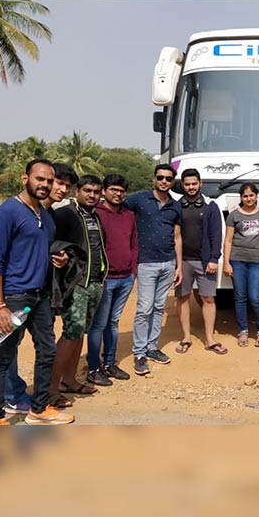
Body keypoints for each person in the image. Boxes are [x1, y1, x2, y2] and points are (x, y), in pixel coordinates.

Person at [0, 159, 74, 425]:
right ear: (25, 179)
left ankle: (39, 408)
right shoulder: (7, 212)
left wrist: (59, 259)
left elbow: (40, 249)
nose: (45, 184)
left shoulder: (45, 214)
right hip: (15, 296)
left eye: (49, 180)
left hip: (40, 295)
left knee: (47, 351)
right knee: (4, 356)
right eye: (40, 179)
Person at [48, 175, 109, 405]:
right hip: (76, 285)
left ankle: (69, 380)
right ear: (78, 192)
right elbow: (50, 242)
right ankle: (51, 390)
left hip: (94, 283)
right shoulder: (65, 214)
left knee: (79, 333)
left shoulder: (94, 216)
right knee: (70, 333)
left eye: (96, 192)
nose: (92, 195)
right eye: (88, 191)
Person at [123, 164, 183, 376]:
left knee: (158, 308)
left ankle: (151, 347)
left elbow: (177, 237)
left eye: (168, 178)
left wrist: (179, 266)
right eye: (160, 177)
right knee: (144, 309)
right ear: (154, 179)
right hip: (146, 263)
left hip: (168, 263)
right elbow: (117, 211)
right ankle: (139, 352)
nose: (164, 181)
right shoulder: (138, 200)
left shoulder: (175, 206)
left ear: (173, 181)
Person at [85, 173, 138, 386]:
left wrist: (133, 271)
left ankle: (109, 363)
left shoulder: (129, 215)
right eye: (113, 189)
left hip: (125, 278)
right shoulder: (95, 214)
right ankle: (93, 367)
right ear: (105, 191)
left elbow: (134, 243)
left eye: (121, 191)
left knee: (113, 322)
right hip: (105, 279)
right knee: (99, 324)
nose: (118, 194)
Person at [174, 168, 226, 356]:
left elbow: (216, 235)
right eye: (187, 184)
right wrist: (176, 263)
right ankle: (186, 337)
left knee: (208, 299)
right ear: (182, 185)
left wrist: (214, 259)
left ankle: (210, 339)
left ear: (200, 183)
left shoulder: (211, 206)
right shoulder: (176, 206)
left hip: (205, 262)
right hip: (182, 262)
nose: (191, 187)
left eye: (194, 184)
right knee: (182, 298)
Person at [223, 183, 259, 347]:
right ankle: (243, 331)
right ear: (241, 198)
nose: (248, 198)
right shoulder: (234, 216)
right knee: (240, 297)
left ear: (256, 196)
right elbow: (228, 240)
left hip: (257, 261)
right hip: (238, 260)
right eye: (245, 196)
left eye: (251, 195)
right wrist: (226, 263)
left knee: (255, 297)